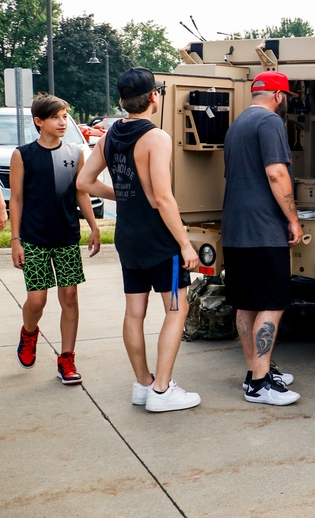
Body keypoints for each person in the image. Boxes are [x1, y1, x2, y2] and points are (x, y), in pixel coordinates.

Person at [77, 67, 201, 412]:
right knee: (177, 309)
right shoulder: (156, 138)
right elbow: (163, 198)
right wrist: (186, 244)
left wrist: (123, 195)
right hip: (159, 240)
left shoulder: (109, 135)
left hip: (128, 237)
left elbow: (84, 182)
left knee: (134, 311)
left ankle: (143, 384)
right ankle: (162, 390)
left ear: (123, 100)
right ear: (153, 97)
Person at [223, 71, 302, 406]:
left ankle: (256, 371)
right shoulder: (270, 123)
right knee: (272, 303)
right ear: (279, 96)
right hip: (263, 229)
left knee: (247, 304)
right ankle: (260, 385)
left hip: (235, 229)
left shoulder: (238, 123)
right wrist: (293, 218)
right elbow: (276, 172)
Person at [10, 94, 101, 385]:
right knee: (37, 301)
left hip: (66, 236)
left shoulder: (75, 152)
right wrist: (15, 240)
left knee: (70, 297)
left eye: (65, 117)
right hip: (34, 238)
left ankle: (67, 359)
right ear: (39, 122)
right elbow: (17, 198)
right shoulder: (22, 154)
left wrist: (94, 226)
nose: (62, 123)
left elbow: (80, 192)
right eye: (56, 118)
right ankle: (29, 333)